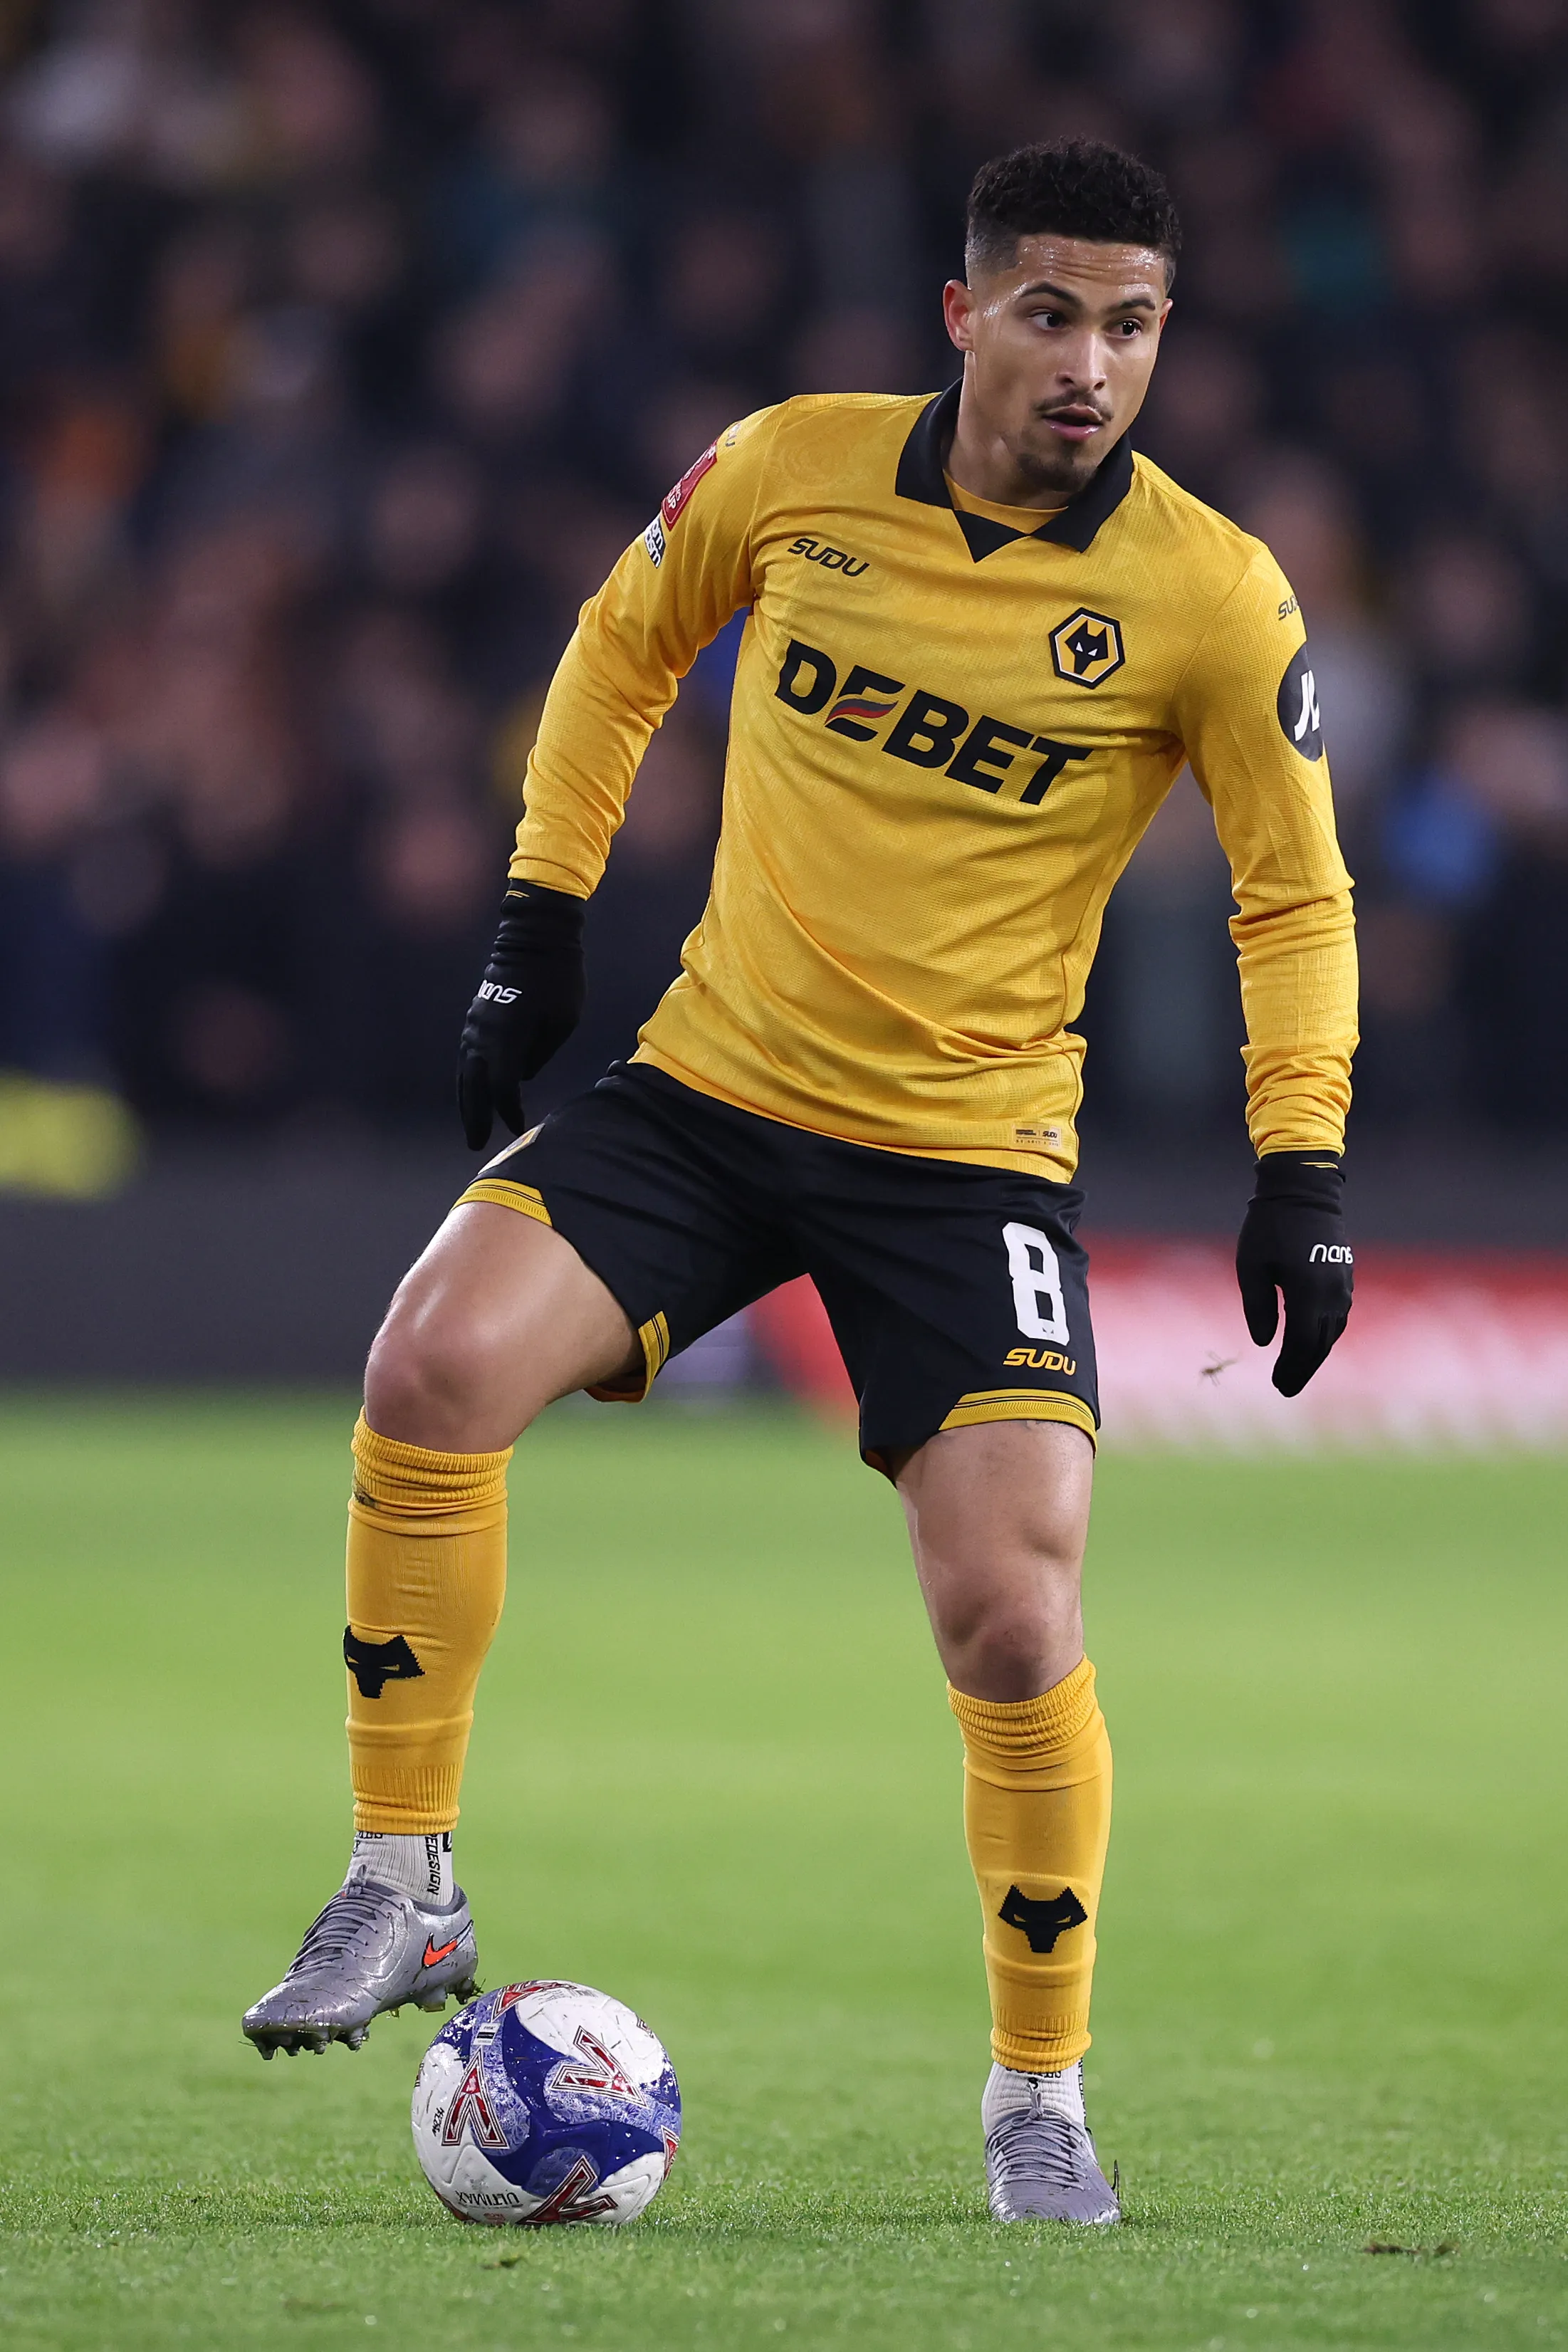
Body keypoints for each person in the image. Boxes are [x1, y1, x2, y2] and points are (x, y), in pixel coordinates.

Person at [243, 139, 1357, 2227]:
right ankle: (407, 1879)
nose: (1090, 364)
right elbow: (617, 645)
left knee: (1013, 1621)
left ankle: (1042, 2088)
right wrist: (537, 919)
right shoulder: (795, 470)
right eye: (1049, 312)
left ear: (1164, 339)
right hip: (716, 1081)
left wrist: (1302, 1156)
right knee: (429, 1368)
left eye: (1131, 324)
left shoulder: (1212, 591)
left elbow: (1295, 897)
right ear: (963, 314)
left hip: (968, 1151)